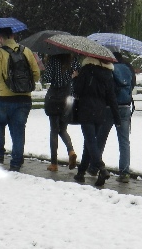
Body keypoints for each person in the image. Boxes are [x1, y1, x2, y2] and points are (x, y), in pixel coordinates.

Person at [0, 27, 40, 172]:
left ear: (0, 38)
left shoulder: (0, 53)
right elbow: (36, 75)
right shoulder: (27, 51)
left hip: (5, 98)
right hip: (24, 98)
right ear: (13, 35)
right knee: (18, 129)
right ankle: (16, 161)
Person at [72, 55, 121, 187]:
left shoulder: (86, 70)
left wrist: (76, 78)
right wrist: (117, 118)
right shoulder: (107, 74)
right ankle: (81, 172)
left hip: (86, 110)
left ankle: (102, 168)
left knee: (90, 141)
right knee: (89, 142)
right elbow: (111, 97)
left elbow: (77, 90)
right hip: (100, 112)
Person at [97, 51, 136, 183]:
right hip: (125, 107)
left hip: (109, 107)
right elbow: (132, 85)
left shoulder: (109, 69)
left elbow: (105, 88)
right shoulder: (128, 68)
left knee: (101, 138)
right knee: (124, 141)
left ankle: (95, 166)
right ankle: (125, 172)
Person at [43, 54, 80, 172]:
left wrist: (47, 63)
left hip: (54, 97)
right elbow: (78, 75)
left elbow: (47, 78)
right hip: (68, 97)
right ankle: (71, 151)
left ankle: (54, 163)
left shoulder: (53, 59)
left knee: (54, 130)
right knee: (63, 129)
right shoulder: (73, 60)